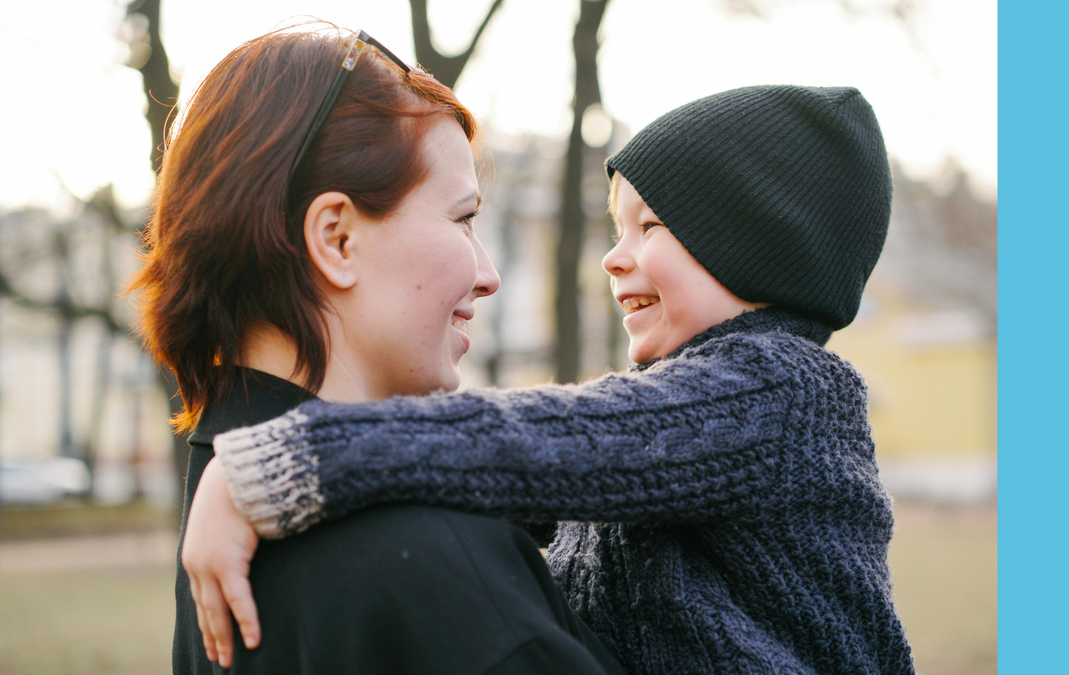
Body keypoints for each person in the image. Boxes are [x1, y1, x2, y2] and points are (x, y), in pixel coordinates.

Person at [189, 85, 917, 675]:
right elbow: (514, 479)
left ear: (756, 248)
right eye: (616, 229)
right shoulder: (677, 427)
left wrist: (289, 460)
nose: (614, 257)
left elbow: (540, 442)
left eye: (651, 227)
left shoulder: (783, 393)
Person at [129, 25, 624, 675]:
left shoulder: (221, 495)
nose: (487, 274)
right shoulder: (435, 559)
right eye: (462, 218)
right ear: (336, 238)